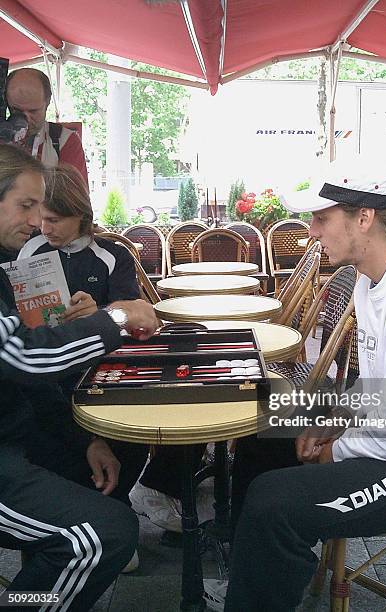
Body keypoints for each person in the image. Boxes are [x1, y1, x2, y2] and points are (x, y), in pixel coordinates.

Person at [203, 157, 386, 611]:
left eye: (322, 218)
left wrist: (334, 449)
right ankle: (255, 567)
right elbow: (380, 386)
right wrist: (335, 418)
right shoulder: (376, 276)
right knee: (265, 425)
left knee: (274, 505)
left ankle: (260, 572)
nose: (310, 232)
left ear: (363, 218)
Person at [0, 143, 158, 609]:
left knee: (102, 500)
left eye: (46, 212)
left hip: (23, 427)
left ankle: (28, 592)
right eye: (28, 206)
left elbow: (27, 379)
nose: (37, 223)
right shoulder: (18, 258)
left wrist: (83, 440)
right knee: (101, 534)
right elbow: (23, 357)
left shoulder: (104, 256)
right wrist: (114, 319)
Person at [18, 164, 140, 308]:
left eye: (54, 220)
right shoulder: (26, 247)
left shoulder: (116, 257)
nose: (45, 230)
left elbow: (132, 317)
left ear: (80, 214)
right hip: (39, 331)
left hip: (98, 330)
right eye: (40, 218)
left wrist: (99, 314)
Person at [6, 68, 88, 185]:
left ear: (48, 102)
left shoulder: (65, 141)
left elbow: (77, 200)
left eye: (33, 111)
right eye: (16, 110)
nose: (26, 119)